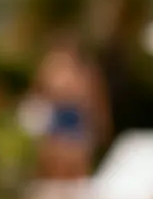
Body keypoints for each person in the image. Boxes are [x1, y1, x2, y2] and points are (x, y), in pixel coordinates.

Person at [22, 37, 112, 181]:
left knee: (75, 165)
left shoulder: (86, 73)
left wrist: (100, 128)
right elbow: (38, 97)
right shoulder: (50, 69)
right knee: (54, 165)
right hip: (57, 124)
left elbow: (96, 104)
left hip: (76, 125)